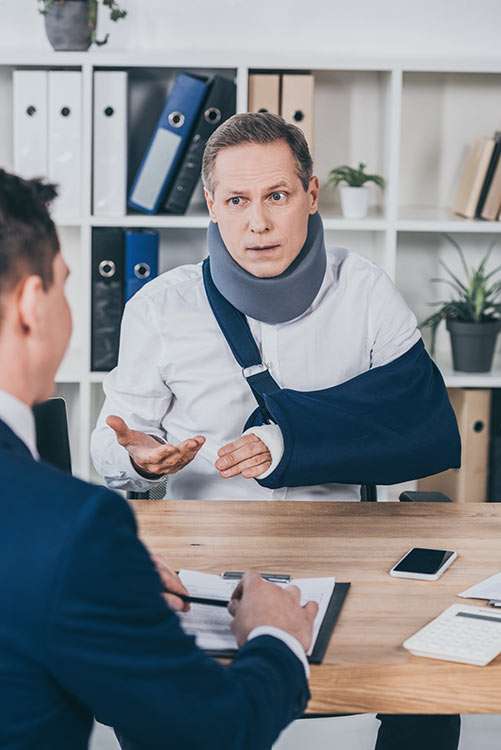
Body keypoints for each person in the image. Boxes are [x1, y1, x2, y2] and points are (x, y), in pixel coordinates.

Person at [91, 112, 461, 749]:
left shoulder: (365, 291)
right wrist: (141, 460)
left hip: (341, 561)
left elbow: (421, 428)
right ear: (211, 204)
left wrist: (291, 443)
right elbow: (112, 442)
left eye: (277, 196)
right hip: (206, 564)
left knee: (439, 675)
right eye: (236, 200)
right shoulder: (160, 307)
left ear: (312, 194)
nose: (256, 223)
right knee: (135, 677)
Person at [0, 168, 319, 750]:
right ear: (31, 305)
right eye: (66, 285)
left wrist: (107, 576)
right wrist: (278, 635)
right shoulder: (72, 530)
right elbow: (216, 731)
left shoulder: (71, 540)